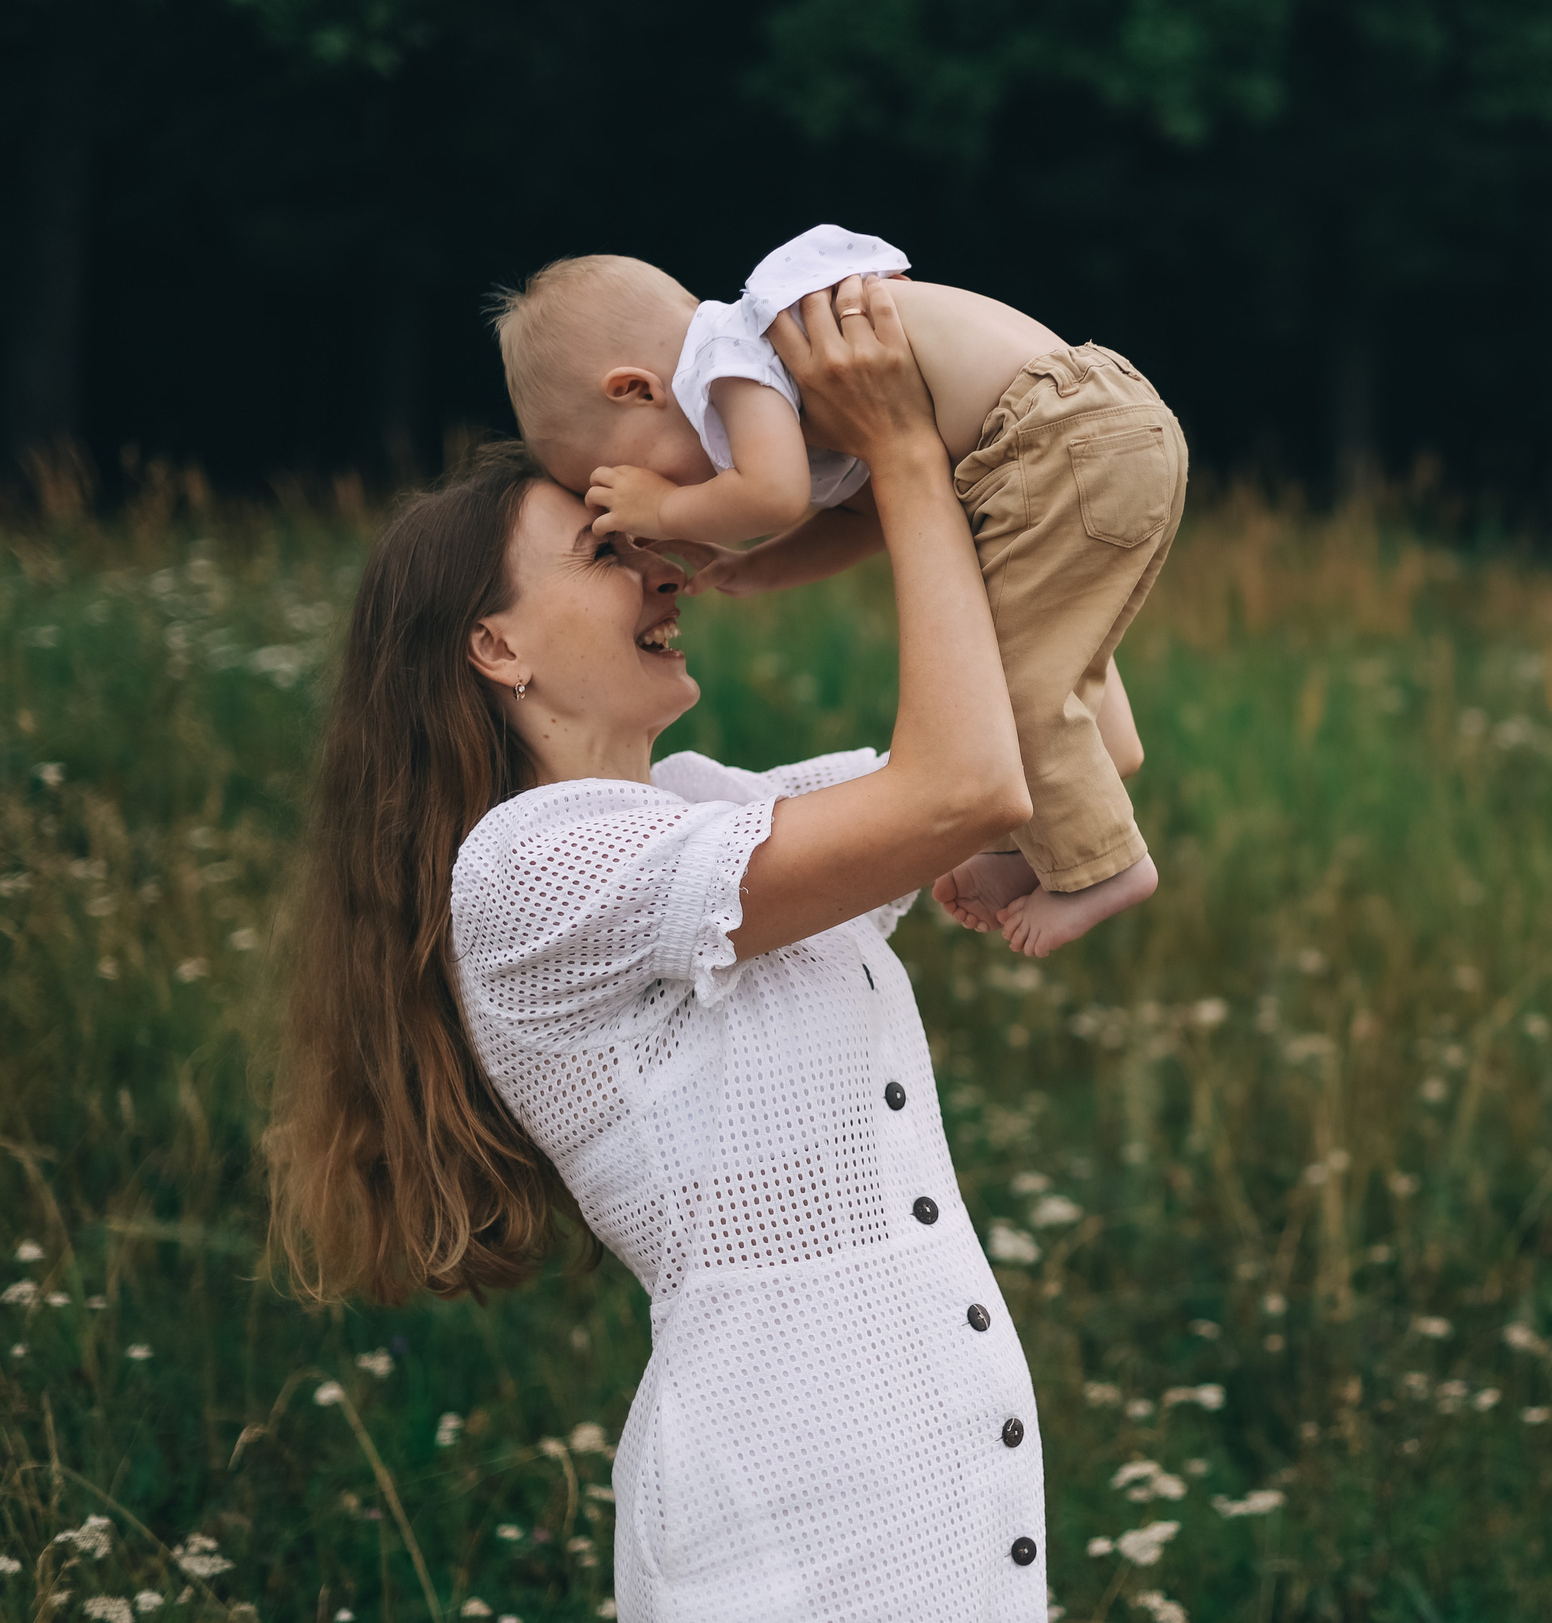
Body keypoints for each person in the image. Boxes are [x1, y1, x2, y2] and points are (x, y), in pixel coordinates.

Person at [265, 279, 1053, 1620]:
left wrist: (999, 468)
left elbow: (1053, 783)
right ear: (494, 645)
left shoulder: (709, 804)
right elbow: (967, 790)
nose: (658, 564)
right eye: (603, 548)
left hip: (934, 1511)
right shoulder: (528, 872)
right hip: (793, 1537)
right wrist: (908, 455)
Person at [488, 225, 1185, 959]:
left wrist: (661, 508)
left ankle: (1105, 869)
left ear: (636, 389)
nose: (663, 497)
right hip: (1084, 434)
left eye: (628, 472)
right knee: (1014, 667)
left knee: (1011, 692)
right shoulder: (787, 389)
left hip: (1050, 441)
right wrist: (756, 568)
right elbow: (861, 516)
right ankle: (1044, 822)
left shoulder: (725, 364)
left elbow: (778, 493)